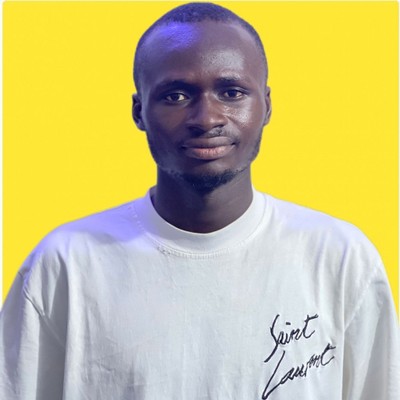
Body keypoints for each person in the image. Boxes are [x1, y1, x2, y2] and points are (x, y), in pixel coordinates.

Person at [0, 2, 398, 399]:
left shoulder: (340, 258)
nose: (207, 119)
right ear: (139, 112)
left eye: (231, 92)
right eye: (175, 95)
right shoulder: (65, 265)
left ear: (266, 105)